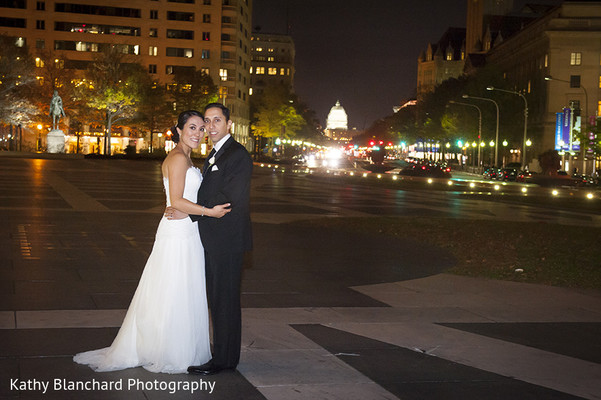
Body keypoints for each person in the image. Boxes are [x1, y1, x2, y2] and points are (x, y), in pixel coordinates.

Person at [73, 110, 231, 374]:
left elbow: (178, 200)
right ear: (178, 131)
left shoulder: (185, 158)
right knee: (175, 287)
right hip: (179, 232)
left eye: (201, 129)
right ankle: (170, 350)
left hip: (185, 228)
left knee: (177, 286)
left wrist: (188, 209)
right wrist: (210, 211)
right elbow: (178, 200)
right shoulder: (179, 158)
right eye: (191, 127)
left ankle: (172, 344)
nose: (198, 133)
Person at [166, 103, 253, 375]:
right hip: (214, 239)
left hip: (227, 241)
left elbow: (229, 197)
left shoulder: (237, 155)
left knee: (224, 300)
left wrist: (189, 214)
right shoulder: (216, 154)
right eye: (207, 121)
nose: (211, 126)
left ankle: (224, 361)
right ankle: (223, 353)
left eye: (217, 120)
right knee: (218, 298)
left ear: (229, 125)